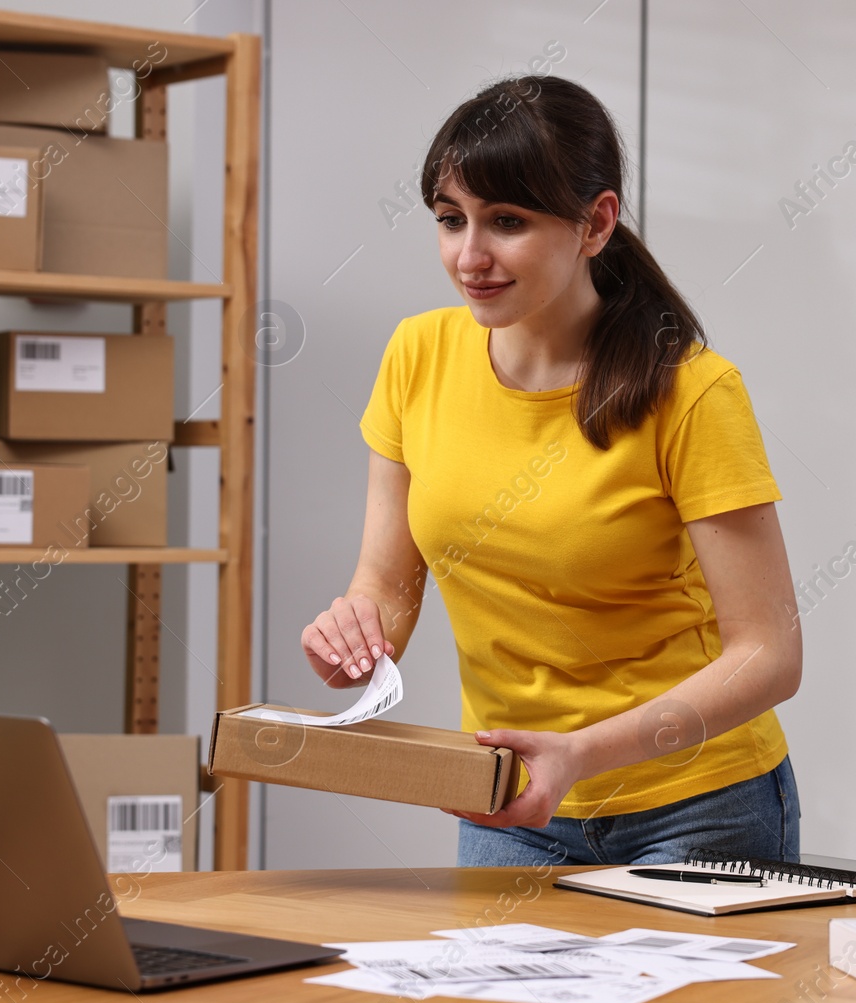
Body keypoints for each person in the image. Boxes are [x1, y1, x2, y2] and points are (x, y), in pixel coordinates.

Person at [300, 74, 803, 868]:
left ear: (596, 222)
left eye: (507, 222)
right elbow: (389, 585)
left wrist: (581, 754)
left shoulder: (693, 392)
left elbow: (769, 654)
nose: (470, 256)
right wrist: (358, 635)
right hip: (515, 799)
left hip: (698, 804)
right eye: (449, 220)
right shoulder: (416, 356)